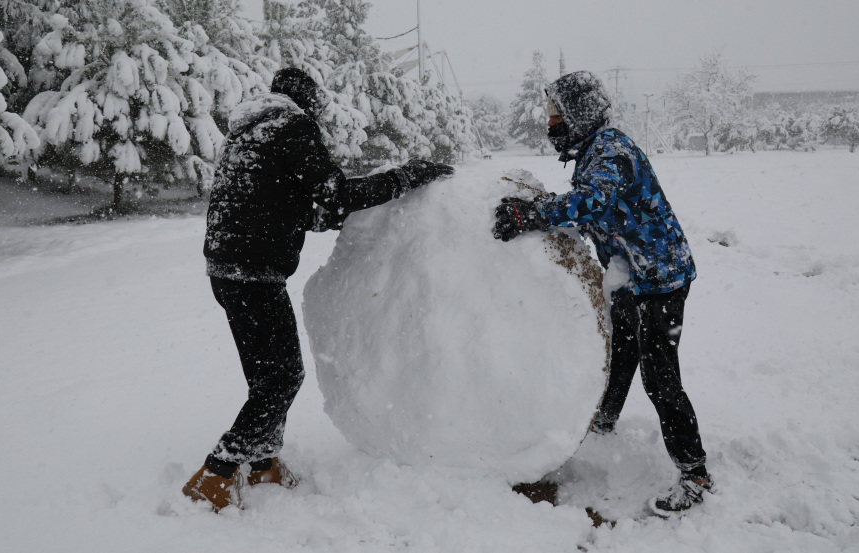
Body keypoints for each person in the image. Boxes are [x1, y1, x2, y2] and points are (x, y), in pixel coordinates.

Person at [182, 68, 454, 511]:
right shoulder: (294, 126)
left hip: (226, 270)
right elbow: (337, 192)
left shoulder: (251, 132)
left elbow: (274, 201)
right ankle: (217, 472)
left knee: (266, 377)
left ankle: (264, 462)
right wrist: (406, 177)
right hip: (255, 274)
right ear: (305, 104)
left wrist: (321, 218)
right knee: (284, 377)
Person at [491, 71, 711, 515]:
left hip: (660, 277)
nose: (551, 122)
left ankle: (694, 473)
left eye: (558, 113)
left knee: (660, 376)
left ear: (580, 115)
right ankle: (603, 423)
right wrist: (543, 208)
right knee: (623, 350)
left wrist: (533, 214)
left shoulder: (610, 151)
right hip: (632, 273)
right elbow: (591, 205)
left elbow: (596, 201)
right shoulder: (594, 150)